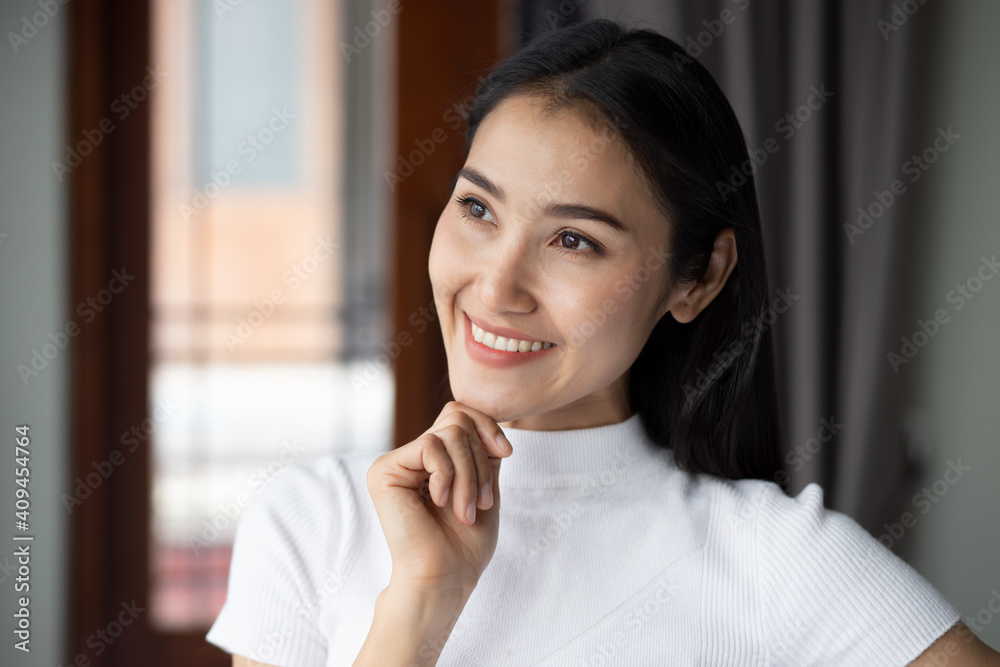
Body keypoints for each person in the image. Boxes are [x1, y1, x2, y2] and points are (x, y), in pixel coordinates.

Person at [206, 18, 1000, 666]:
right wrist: (419, 602)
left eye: (574, 241)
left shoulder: (775, 558)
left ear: (698, 277)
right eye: (478, 210)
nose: (496, 286)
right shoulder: (311, 521)